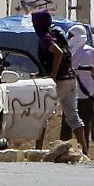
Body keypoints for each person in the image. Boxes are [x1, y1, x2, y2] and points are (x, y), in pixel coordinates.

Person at [32, 11, 78, 148]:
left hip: (58, 81)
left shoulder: (45, 37)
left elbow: (58, 53)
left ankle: (38, 149)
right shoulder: (57, 33)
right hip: (70, 77)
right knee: (73, 117)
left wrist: (52, 75)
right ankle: (84, 149)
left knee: (43, 114)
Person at [69, 24, 94, 157]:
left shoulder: (86, 52)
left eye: (70, 35)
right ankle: (80, 151)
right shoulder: (90, 51)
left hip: (79, 93)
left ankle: (80, 151)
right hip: (82, 92)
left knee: (77, 123)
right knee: (82, 124)